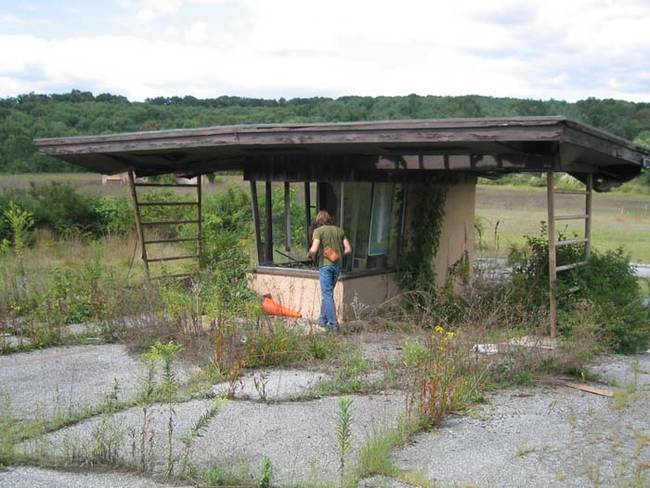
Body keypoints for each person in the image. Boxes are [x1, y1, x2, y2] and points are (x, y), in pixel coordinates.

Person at [307, 210, 352, 331]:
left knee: (327, 294)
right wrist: (337, 254)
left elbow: (314, 249)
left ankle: (333, 324)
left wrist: (309, 254)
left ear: (319, 221)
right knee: (328, 293)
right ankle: (322, 320)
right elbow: (348, 249)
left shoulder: (318, 231)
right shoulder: (339, 230)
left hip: (325, 266)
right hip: (338, 266)